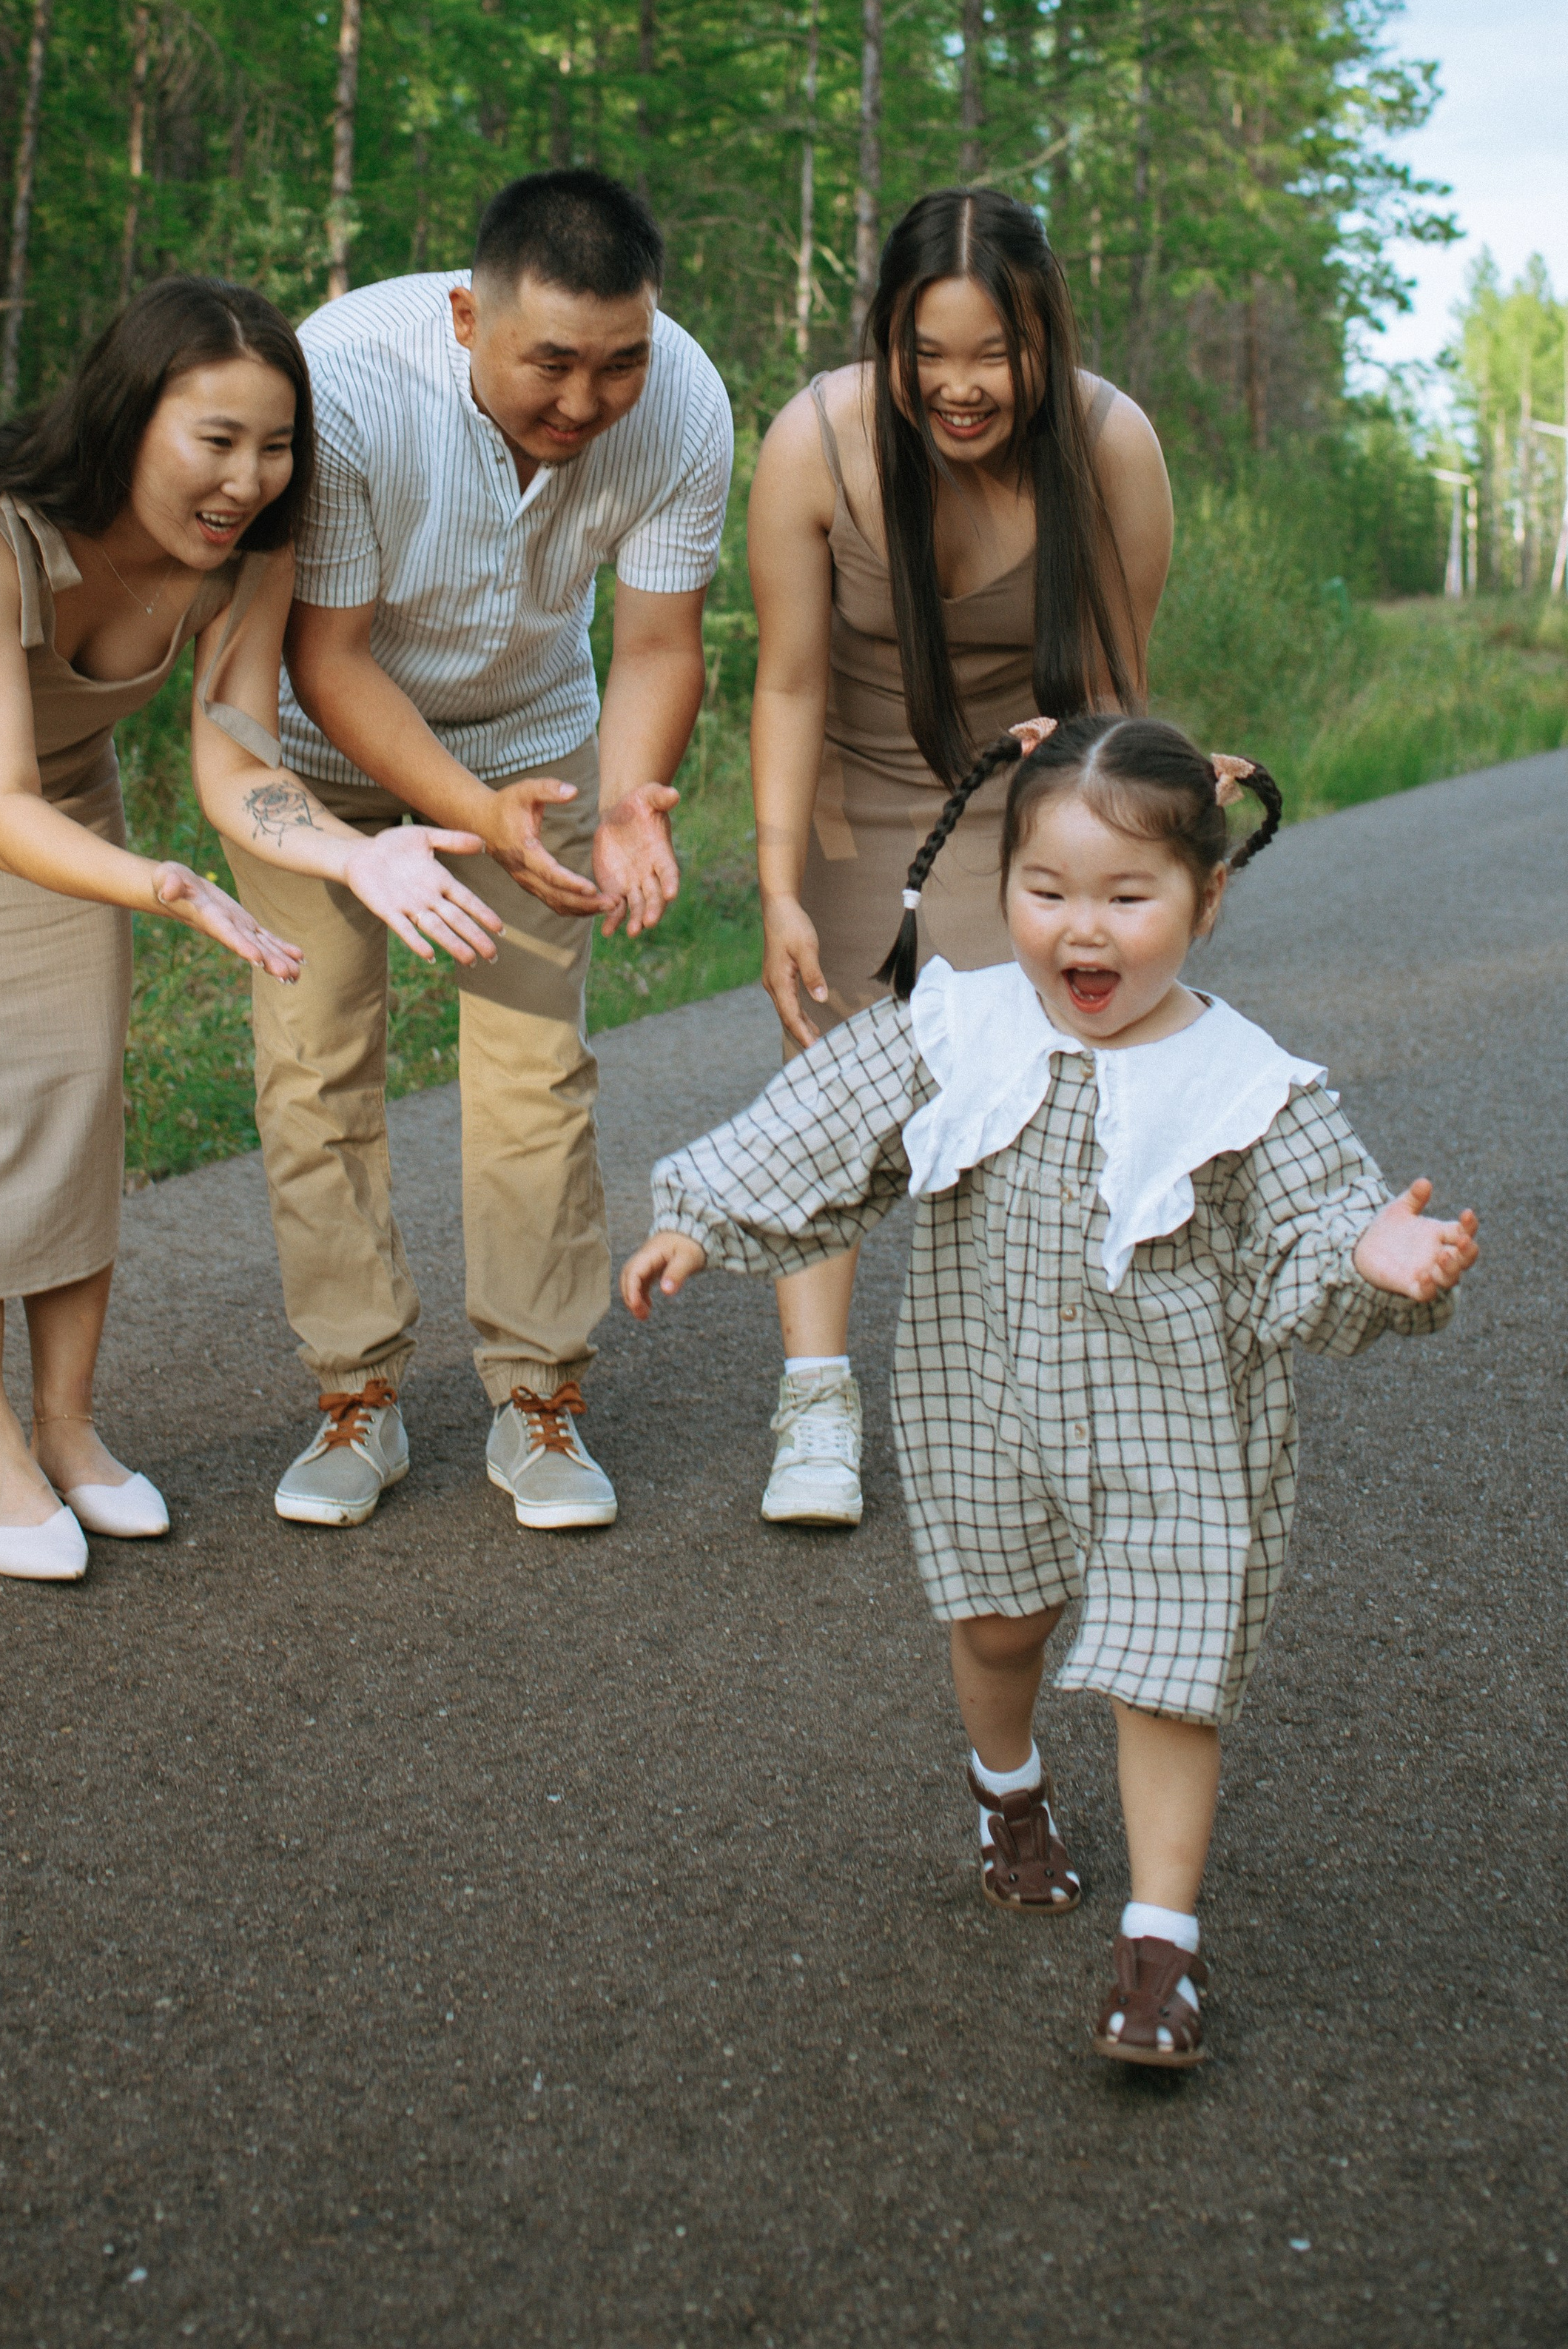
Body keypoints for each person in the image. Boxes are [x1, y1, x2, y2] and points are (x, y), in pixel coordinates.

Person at [622, 713, 1477, 2069]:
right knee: (1003, 1630)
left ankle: (1160, 1954)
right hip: (989, 1397)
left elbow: (1318, 1238)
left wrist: (1377, 1256)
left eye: (1130, 897)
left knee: (1168, 1671)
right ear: (1003, 881)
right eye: (1047, 891)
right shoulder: (961, 1026)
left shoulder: (1253, 1086)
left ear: (1207, 894)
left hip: (1183, 1429)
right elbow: (825, 1119)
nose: (1084, 931)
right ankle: (1007, 1787)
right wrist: (704, 1214)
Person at [0, 278, 499, 1585]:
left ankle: (68, 1428)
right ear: (128, 421)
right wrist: (161, 883)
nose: (247, 476)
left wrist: (356, 848)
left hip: (59, 783)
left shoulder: (253, 549)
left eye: (275, 443)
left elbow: (235, 751)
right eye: (214, 439)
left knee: (74, 1085)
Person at [226, 168, 733, 1532]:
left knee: (532, 1069)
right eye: (551, 363)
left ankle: (538, 1394)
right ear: (466, 315)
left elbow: (658, 643)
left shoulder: (682, 401)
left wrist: (629, 796)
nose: (584, 402)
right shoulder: (346, 379)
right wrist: (465, 809)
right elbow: (323, 661)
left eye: (617, 362)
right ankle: (357, 1393)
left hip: (539, 739)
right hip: (323, 760)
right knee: (316, 1065)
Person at [745, 189, 1173, 1527]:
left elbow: (1115, 689)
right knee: (833, 1080)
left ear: (1044, 337)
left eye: (993, 353)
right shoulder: (818, 440)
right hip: (857, 787)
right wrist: (773, 888)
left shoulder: (1111, 444)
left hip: (1031, 796)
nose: (960, 387)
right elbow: (790, 684)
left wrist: (1111, 868)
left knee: (1043, 1096)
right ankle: (817, 1401)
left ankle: (1025, 1391)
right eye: (927, 353)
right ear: (888, 339)